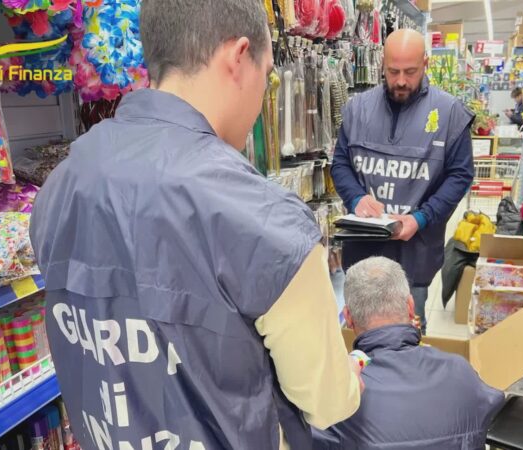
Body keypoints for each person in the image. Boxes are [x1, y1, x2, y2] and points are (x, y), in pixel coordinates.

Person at [30, 1, 361, 449]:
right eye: (266, 76)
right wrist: (351, 378)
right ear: (239, 57)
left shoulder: (61, 185)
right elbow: (328, 403)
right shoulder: (266, 223)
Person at [331, 29, 475, 331]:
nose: (400, 80)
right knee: (356, 345)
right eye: (393, 71)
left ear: (425, 63)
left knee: (407, 340)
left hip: (415, 257)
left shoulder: (449, 114)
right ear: (382, 64)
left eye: (410, 72)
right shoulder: (358, 110)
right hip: (361, 256)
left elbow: (460, 175)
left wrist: (421, 218)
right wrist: (356, 199)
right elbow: (341, 164)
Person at [313, 257, 505, 450]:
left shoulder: (338, 397)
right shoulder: (459, 371)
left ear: (348, 318)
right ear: (411, 307)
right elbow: (494, 405)